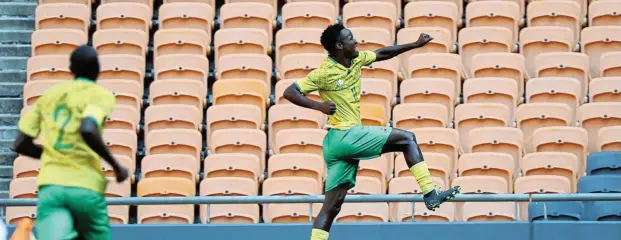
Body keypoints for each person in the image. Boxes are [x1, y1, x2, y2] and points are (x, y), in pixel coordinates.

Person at [283, 24, 461, 240]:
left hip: (335, 145)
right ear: (339, 45)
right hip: (345, 135)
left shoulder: (356, 59)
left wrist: (415, 44)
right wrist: (318, 106)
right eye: (350, 38)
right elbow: (289, 91)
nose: (355, 41)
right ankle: (430, 194)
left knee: (331, 207)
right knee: (407, 139)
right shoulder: (324, 73)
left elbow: (383, 53)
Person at [12, 45, 129, 240]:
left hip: (52, 188)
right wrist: (116, 166)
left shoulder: (50, 95)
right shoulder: (99, 95)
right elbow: (88, 128)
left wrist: (51, 154)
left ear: (71, 69)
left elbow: (20, 144)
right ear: (97, 70)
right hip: (85, 187)